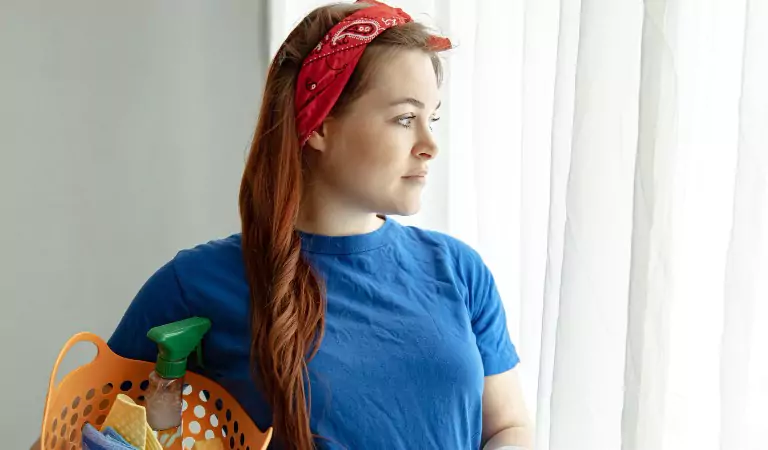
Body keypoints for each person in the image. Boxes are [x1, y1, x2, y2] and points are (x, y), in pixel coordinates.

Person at [33, 1, 532, 449]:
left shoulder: (459, 271)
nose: (430, 145)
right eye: (405, 118)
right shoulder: (194, 286)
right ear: (319, 126)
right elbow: (69, 436)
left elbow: (507, 426)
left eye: (433, 119)